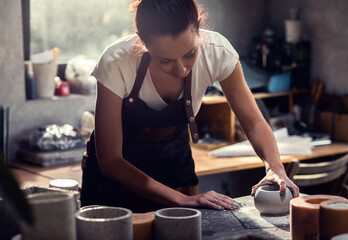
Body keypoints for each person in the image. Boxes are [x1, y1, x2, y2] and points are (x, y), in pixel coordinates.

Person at [80, 0, 299, 213]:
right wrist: (181, 200)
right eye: (165, 61)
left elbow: (253, 123)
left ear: (199, 28)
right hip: (114, 187)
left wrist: (275, 169)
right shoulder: (116, 62)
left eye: (189, 54)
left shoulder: (217, 52)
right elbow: (111, 161)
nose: (181, 69)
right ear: (143, 42)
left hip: (176, 173)